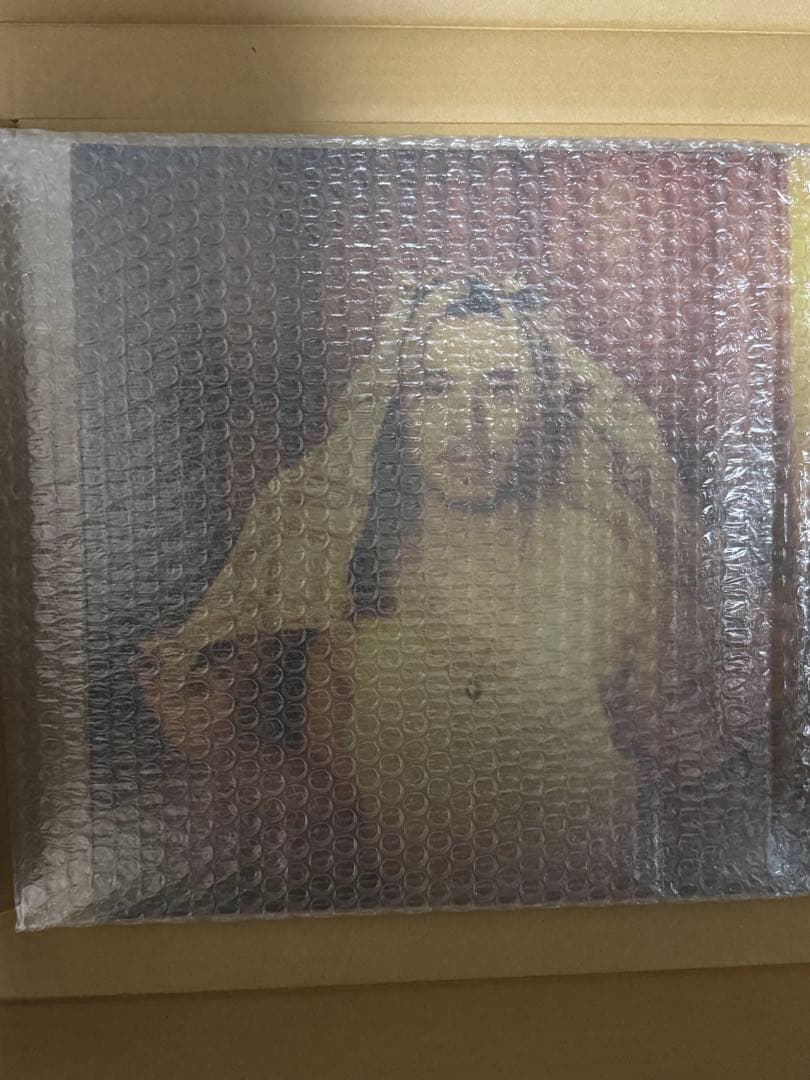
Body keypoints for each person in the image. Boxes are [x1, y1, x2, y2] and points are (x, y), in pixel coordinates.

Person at [137, 269, 692, 908]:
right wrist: (216, 744)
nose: (469, 425)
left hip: (591, 937)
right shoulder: (351, 579)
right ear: (398, 410)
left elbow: (673, 760)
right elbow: (338, 810)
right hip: (425, 941)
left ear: (538, 408)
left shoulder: (600, 560)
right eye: (435, 388)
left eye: (500, 388)